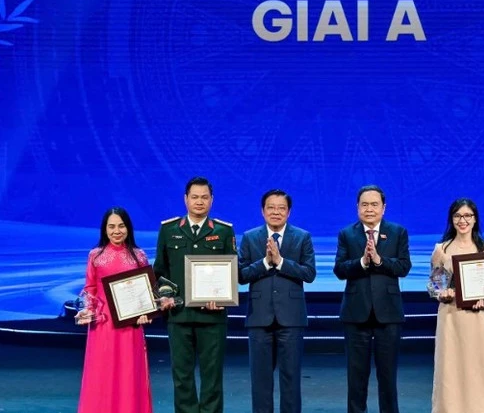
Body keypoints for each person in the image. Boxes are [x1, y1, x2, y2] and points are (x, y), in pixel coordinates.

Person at [153, 177, 236, 413]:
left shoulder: (224, 231)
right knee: (182, 378)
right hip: (179, 315)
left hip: (212, 317)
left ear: (212, 200)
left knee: (212, 378)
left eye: (204, 197)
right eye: (195, 197)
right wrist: (165, 296)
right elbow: (160, 271)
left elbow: (231, 271)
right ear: (185, 199)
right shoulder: (169, 229)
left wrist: (223, 298)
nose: (199, 201)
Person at [333, 184, 412, 413]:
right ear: (357, 207)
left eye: (374, 204)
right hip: (356, 313)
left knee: (388, 375)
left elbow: (404, 266)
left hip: (388, 313)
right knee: (356, 376)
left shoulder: (397, 232)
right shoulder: (347, 234)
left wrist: (379, 260)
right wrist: (362, 262)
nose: (369, 209)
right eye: (364, 204)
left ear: (383, 208)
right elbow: (340, 269)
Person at [238, 189, 316, 413]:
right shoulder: (250, 237)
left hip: (291, 318)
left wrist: (281, 262)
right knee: (260, 380)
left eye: (281, 208)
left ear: (288, 212)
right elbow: (241, 275)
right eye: (271, 207)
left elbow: (309, 273)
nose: (276, 212)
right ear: (263, 211)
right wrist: (265, 262)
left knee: (291, 379)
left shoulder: (302, 237)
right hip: (259, 317)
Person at [76, 207, 153, 413]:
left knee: (129, 372)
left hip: (131, 325)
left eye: (121, 226)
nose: (116, 231)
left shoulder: (139, 256)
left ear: (128, 228)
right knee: (102, 373)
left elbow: (146, 291)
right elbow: (90, 288)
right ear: (105, 229)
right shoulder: (95, 255)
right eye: (111, 227)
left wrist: (146, 312)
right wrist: (87, 309)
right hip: (103, 325)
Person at [429, 198, 484, 413]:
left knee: (478, 368)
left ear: (475, 219)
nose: (462, 220)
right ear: (451, 219)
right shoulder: (442, 249)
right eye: (457, 216)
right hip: (451, 316)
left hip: (478, 318)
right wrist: (442, 292)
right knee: (449, 369)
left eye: (467, 215)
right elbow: (435, 283)